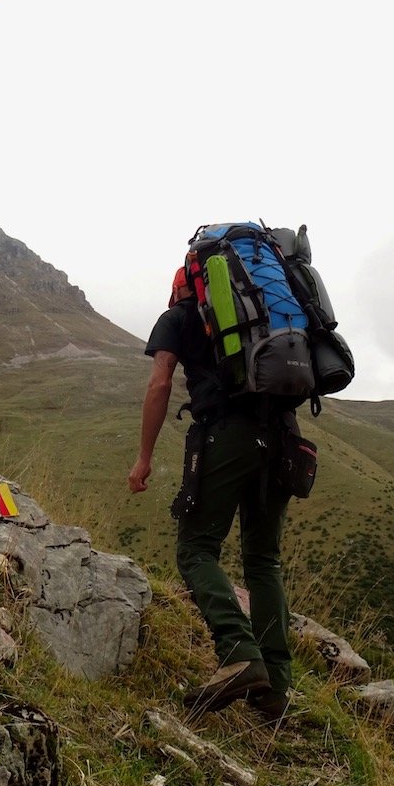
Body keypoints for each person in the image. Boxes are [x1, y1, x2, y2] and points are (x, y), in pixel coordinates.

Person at [128, 265, 294, 722]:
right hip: (284, 439)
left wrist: (143, 457)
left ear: (183, 285)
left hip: (227, 435)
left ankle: (239, 653)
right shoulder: (270, 316)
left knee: (197, 549)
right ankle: (275, 689)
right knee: (264, 560)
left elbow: (160, 381)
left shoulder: (179, 316)